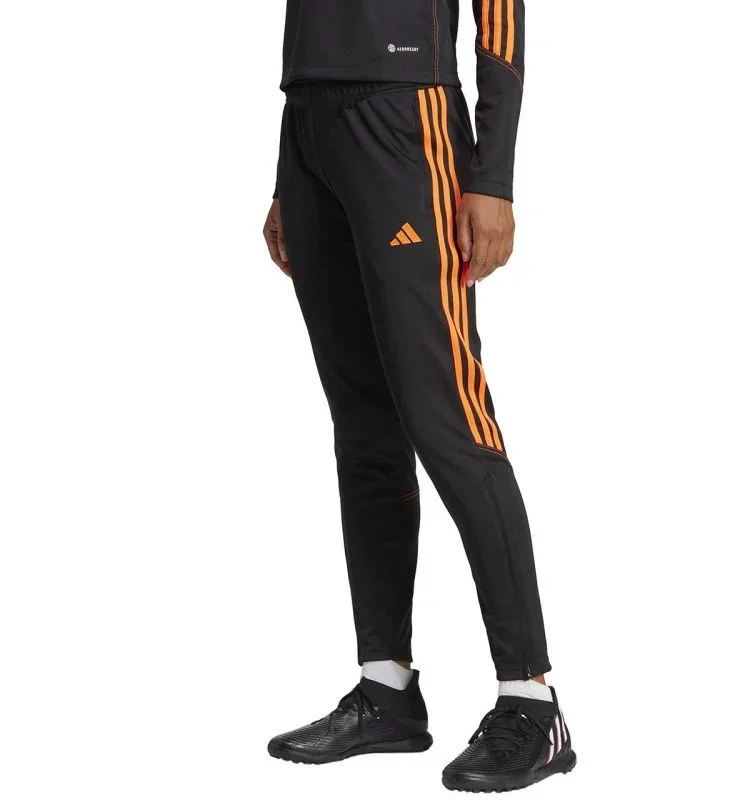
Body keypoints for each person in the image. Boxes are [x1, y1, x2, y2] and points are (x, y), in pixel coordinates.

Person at [263, 0, 576, 792]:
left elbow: (501, 15)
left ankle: (532, 702)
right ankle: (387, 690)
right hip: (309, 120)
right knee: (362, 427)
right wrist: (287, 173)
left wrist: (492, 178)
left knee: (450, 422)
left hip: (408, 118)